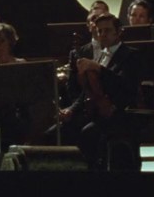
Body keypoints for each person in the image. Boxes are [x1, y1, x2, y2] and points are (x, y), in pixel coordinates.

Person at [55, 13, 142, 171]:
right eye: (99, 31)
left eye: (107, 30)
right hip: (96, 112)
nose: (102, 34)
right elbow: (88, 91)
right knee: (58, 132)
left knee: (88, 134)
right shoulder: (101, 55)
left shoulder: (131, 55)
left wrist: (98, 69)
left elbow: (125, 86)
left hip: (120, 112)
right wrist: (71, 110)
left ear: (118, 32)